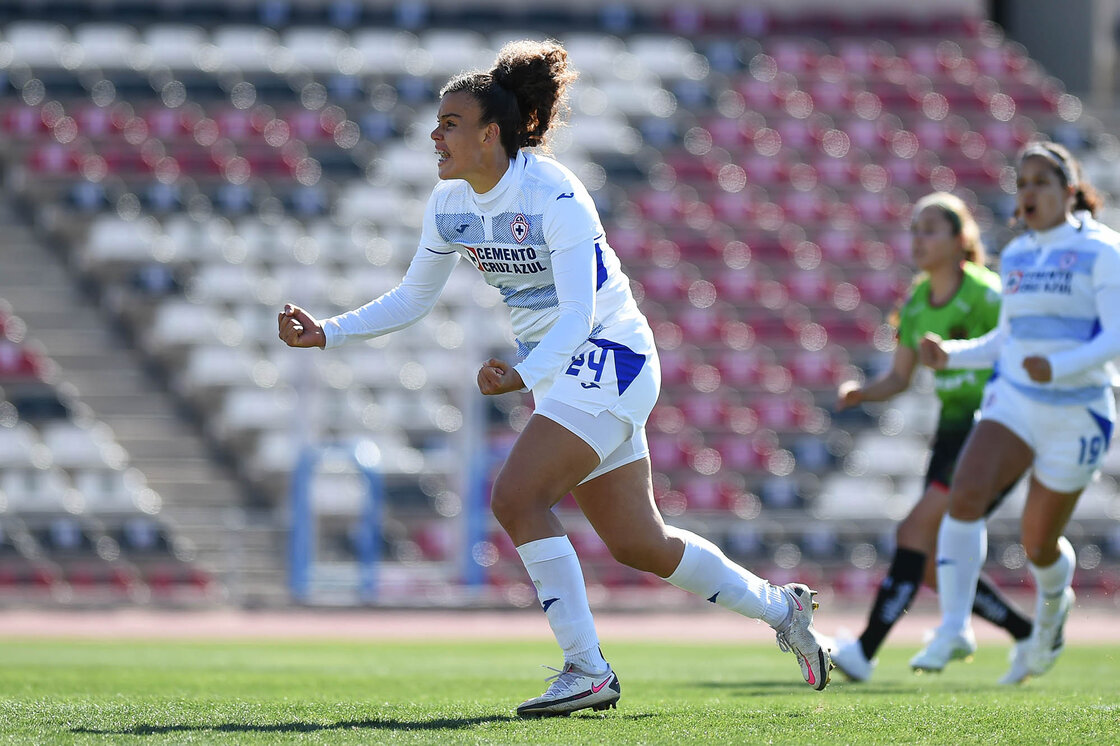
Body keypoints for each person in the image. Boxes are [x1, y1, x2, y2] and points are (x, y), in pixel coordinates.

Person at [278, 39, 832, 717]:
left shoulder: (554, 193)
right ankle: (784, 609)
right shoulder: (449, 202)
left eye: (450, 122)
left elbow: (578, 314)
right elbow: (413, 297)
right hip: (562, 373)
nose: (435, 134)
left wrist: (523, 374)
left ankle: (587, 670)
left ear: (491, 133)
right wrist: (328, 331)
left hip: (609, 355)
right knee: (639, 543)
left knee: (516, 497)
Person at [912, 141, 1120, 683]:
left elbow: (1116, 337)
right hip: (1017, 400)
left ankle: (1054, 607)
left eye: (1040, 183)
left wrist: (1064, 365)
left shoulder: (1104, 250)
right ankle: (955, 627)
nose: (1028, 193)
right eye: (1021, 183)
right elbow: (1007, 340)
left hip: (1078, 412)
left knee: (1038, 542)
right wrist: (951, 353)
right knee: (966, 492)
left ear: (1070, 192)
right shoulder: (1020, 254)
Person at [827, 193, 1034, 683]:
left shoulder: (987, 293)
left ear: (961, 239)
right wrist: (862, 393)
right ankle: (1027, 630)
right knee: (927, 561)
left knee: (913, 535)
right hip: (952, 433)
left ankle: (864, 651)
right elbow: (900, 378)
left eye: (931, 230)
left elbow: (1014, 350)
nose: (918, 239)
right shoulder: (917, 300)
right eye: (915, 229)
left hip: (991, 428)